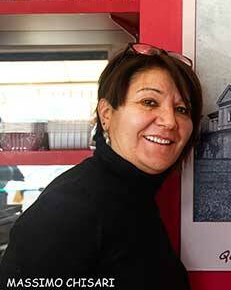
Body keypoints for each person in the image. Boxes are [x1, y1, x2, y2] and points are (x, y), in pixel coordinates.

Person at [0, 43, 202, 290]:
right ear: (106, 114)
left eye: (182, 109)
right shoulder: (73, 205)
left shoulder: (133, 196)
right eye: (149, 102)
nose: (170, 121)